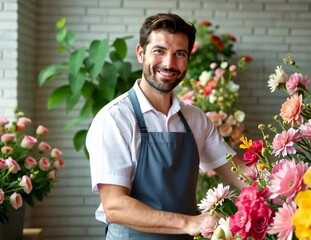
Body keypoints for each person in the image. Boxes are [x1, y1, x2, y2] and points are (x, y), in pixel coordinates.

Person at [87, 12, 246, 240]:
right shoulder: (115, 118)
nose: (169, 63)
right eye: (159, 51)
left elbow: (238, 172)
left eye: (179, 54)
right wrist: (188, 222)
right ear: (141, 54)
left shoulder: (195, 119)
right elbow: (114, 205)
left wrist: (289, 187)